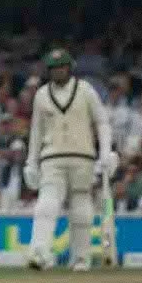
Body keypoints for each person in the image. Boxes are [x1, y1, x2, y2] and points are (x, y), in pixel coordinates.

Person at [22, 48, 118, 271]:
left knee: (81, 206)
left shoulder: (85, 90)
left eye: (61, 67)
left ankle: (81, 257)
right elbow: (36, 131)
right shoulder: (42, 95)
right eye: (53, 68)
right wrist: (31, 162)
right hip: (51, 157)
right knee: (46, 204)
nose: (57, 71)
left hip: (82, 157)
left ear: (70, 68)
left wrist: (106, 151)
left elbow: (102, 121)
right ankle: (39, 253)